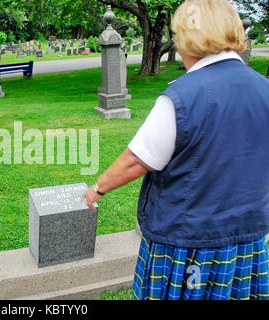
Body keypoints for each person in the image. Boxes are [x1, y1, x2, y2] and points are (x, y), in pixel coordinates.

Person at [84, 0, 269, 300]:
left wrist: (98, 189)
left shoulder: (181, 97)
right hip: (247, 238)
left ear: (187, 39)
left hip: (188, 242)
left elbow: (137, 160)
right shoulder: (264, 89)